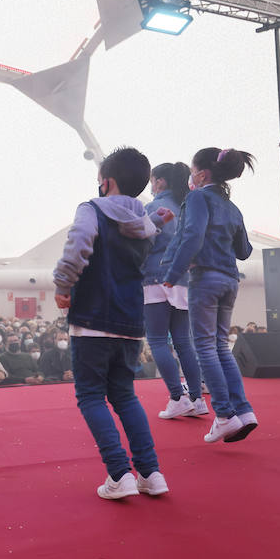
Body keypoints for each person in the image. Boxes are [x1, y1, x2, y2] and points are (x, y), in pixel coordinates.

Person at [54, 146, 170, 500]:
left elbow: (78, 247)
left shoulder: (91, 208)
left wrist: (63, 285)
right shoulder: (145, 222)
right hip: (131, 319)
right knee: (124, 395)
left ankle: (120, 474)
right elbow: (141, 251)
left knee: (91, 395)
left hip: (92, 317)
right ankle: (151, 472)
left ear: (106, 182)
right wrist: (158, 225)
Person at [164, 147, 259, 445]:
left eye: (193, 170)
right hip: (230, 279)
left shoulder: (197, 197)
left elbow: (193, 235)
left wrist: (172, 273)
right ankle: (243, 411)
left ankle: (224, 416)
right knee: (219, 346)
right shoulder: (233, 208)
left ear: (202, 174)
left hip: (205, 277)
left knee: (204, 347)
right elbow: (245, 251)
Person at [141, 162, 207, 420]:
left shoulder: (155, 208)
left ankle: (177, 398)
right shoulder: (189, 209)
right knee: (183, 341)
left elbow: (143, 244)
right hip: (184, 280)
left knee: (157, 340)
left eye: (152, 180)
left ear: (160, 182)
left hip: (156, 277)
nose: (150, 185)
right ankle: (197, 398)